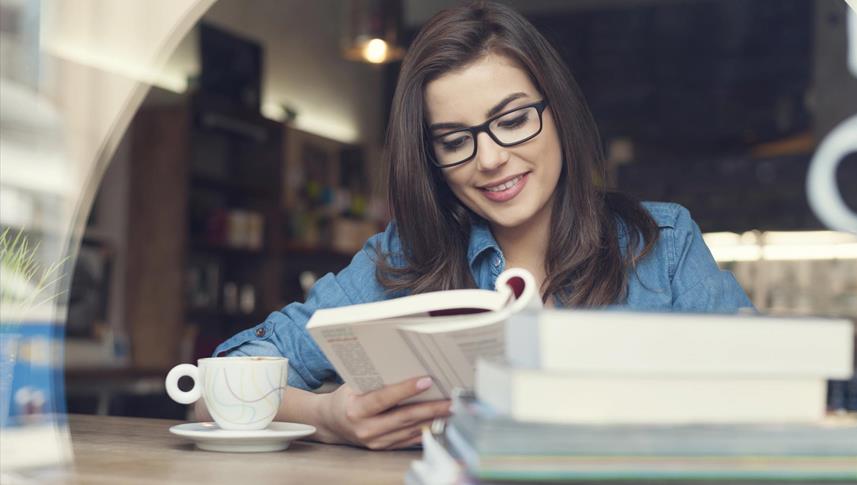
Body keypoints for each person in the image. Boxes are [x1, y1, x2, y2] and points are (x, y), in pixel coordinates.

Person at [206, 1, 753, 449]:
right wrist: (328, 415)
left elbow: (769, 399)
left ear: (557, 112)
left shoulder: (664, 245)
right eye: (454, 139)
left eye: (513, 120)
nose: (489, 159)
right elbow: (212, 387)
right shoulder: (404, 258)